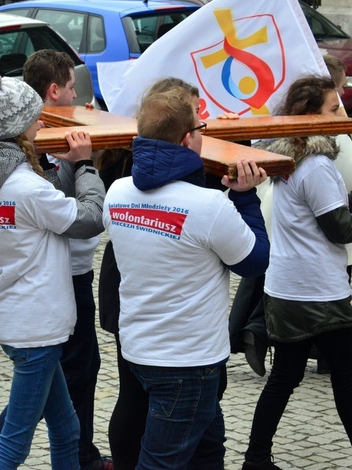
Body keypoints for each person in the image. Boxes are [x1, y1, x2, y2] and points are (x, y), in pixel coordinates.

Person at [0, 50, 112, 470]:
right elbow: (87, 219)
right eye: (36, 117)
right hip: (36, 326)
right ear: (20, 126)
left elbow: (41, 202)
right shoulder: (26, 187)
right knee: (12, 446)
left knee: (67, 432)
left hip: (15, 313)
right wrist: (84, 167)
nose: (43, 122)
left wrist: (58, 168)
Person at [103, 85, 269, 468]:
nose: (203, 132)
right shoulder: (209, 206)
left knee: (209, 452)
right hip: (188, 364)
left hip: (140, 349)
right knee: (162, 462)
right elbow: (255, 261)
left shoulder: (117, 192)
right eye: (201, 126)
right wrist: (245, 197)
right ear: (186, 138)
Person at [242, 75, 352, 470]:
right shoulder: (317, 164)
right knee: (345, 371)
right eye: (334, 108)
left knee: (286, 376)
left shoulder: (294, 159)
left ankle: (256, 457)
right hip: (317, 290)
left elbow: (323, 212)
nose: (342, 114)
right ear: (310, 116)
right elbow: (338, 228)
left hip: (289, 288)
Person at [97, 77, 211, 469]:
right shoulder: (132, 172)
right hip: (135, 289)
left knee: (140, 393)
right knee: (135, 395)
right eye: (197, 117)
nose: (203, 125)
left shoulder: (132, 161)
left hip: (132, 290)